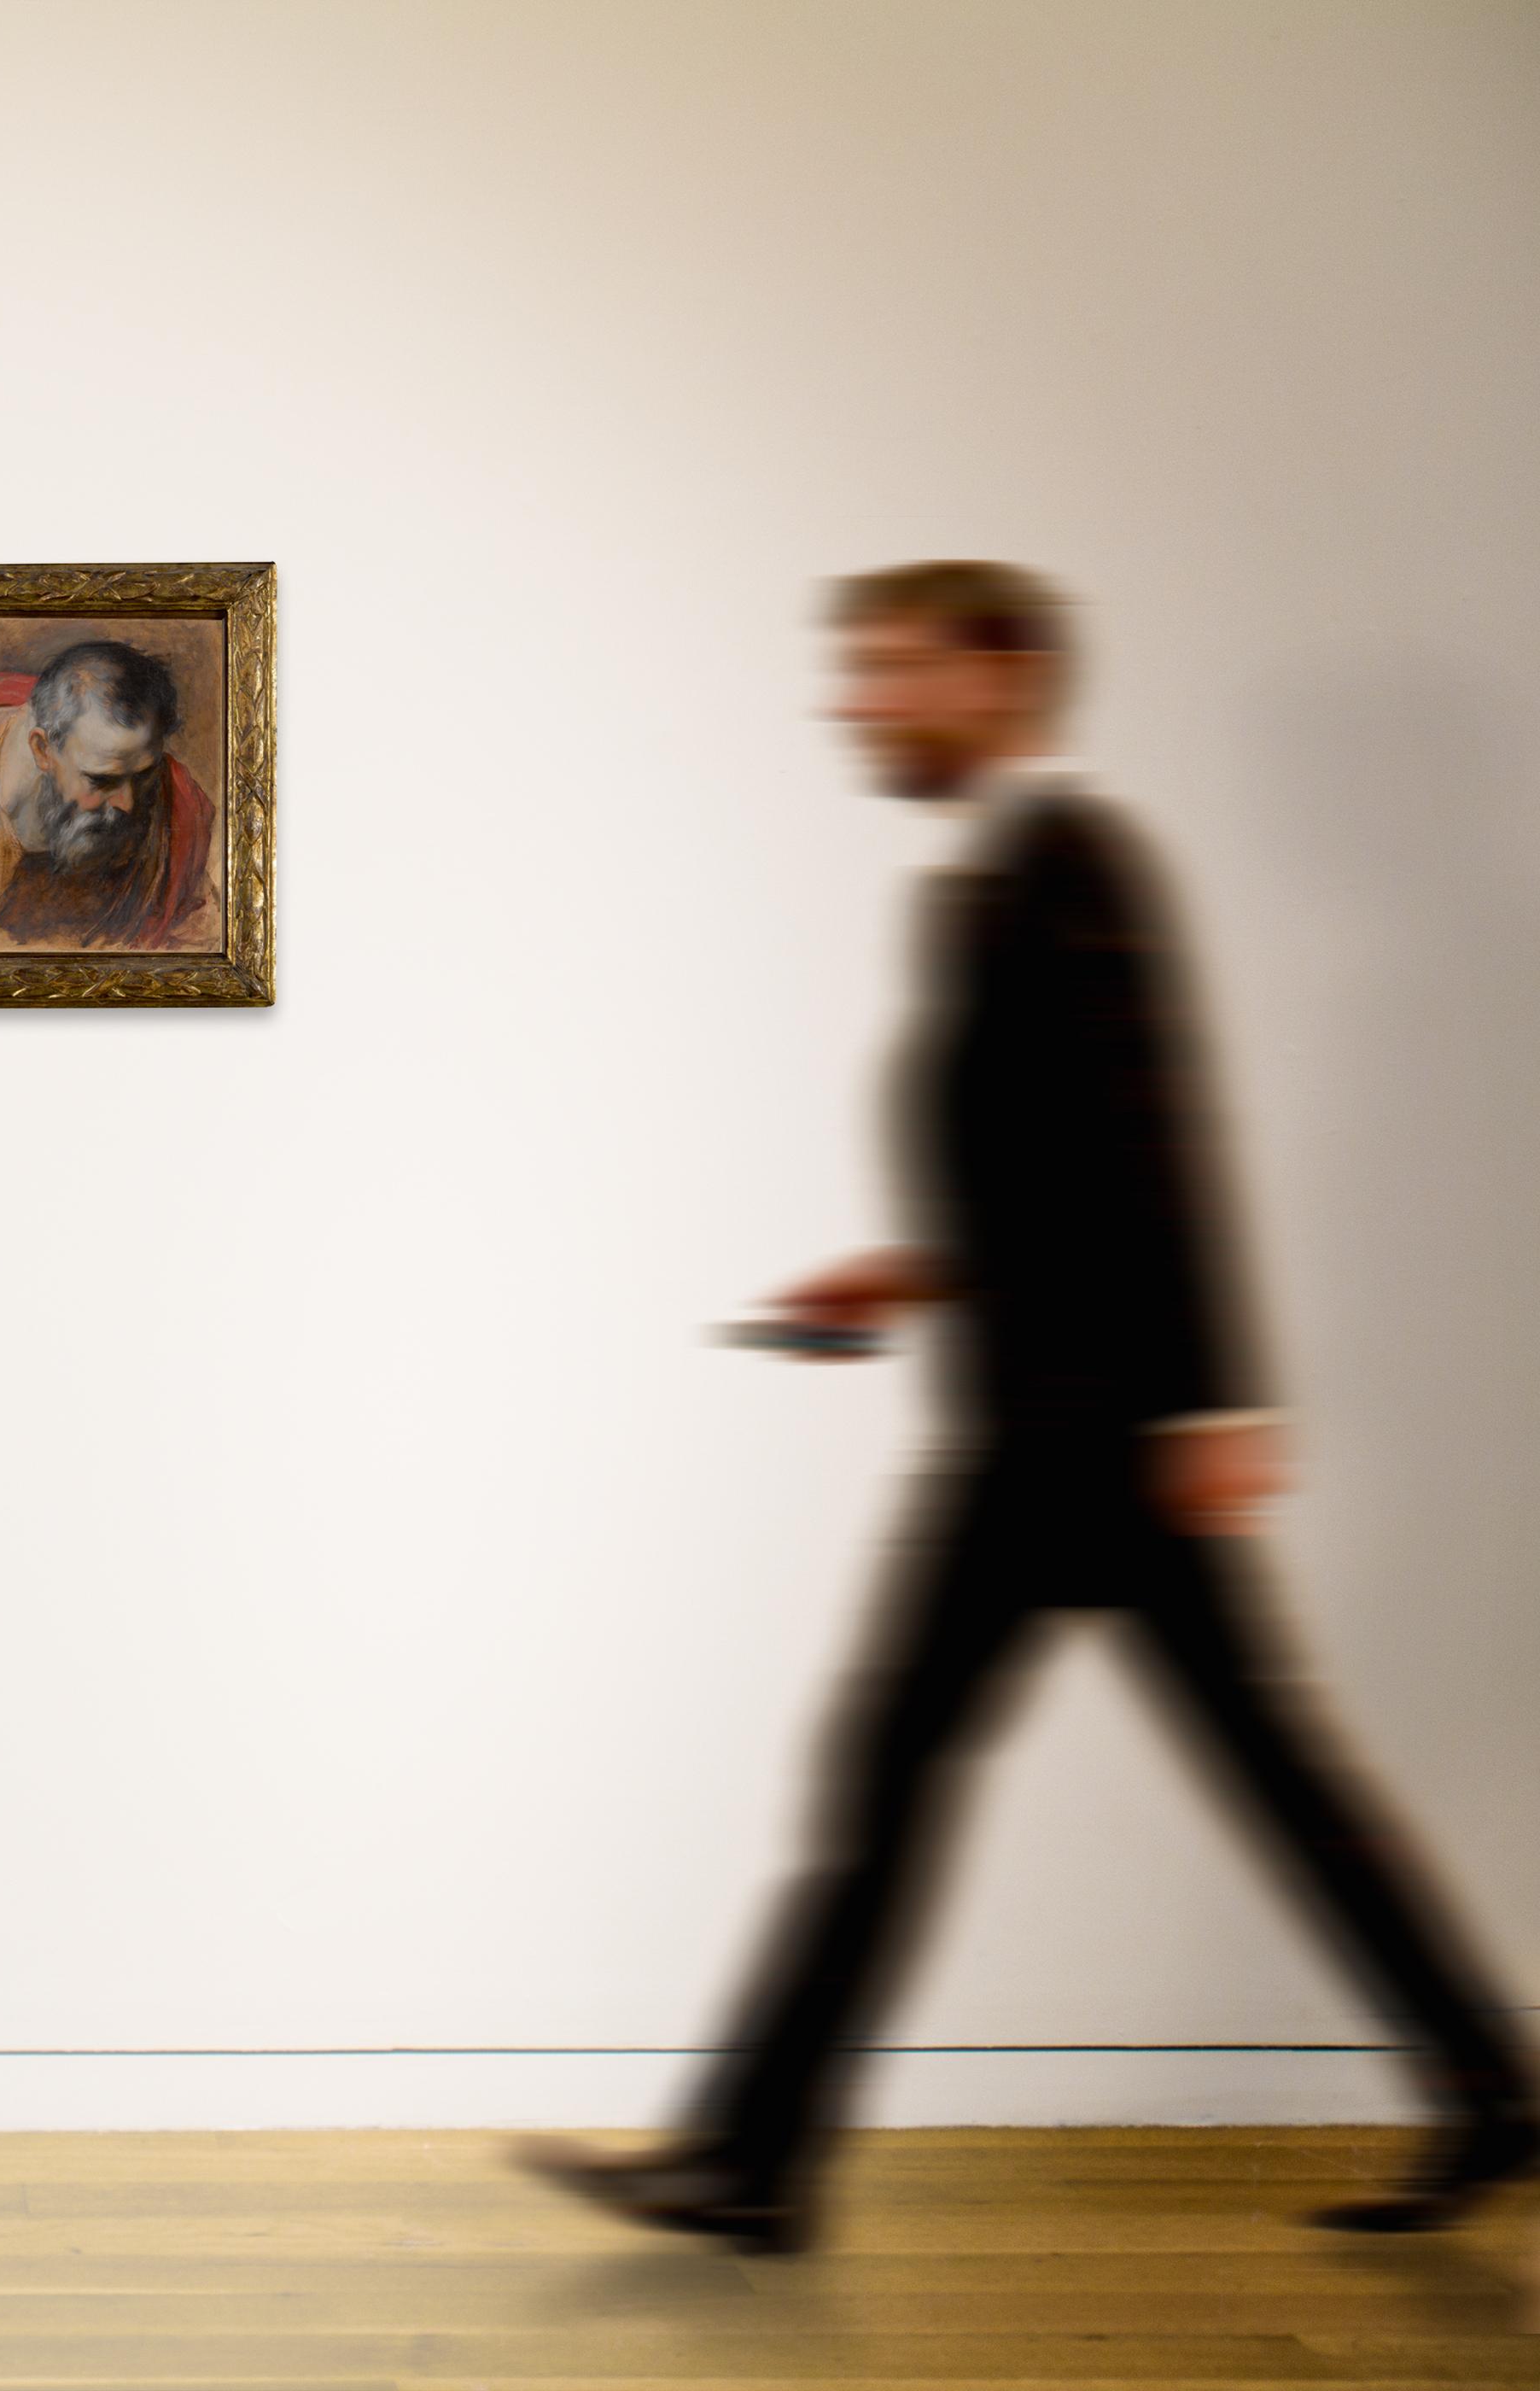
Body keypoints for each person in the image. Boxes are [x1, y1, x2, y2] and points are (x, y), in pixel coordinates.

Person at [520, 560, 1537, 2255]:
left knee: (899, 1764)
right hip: (1057, 1422)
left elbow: (1158, 1143)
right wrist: (911, 1277)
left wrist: (1217, 1401)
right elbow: (1051, 1176)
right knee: (1220, 1766)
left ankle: (751, 2157)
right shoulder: (986, 883)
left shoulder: (1073, 864)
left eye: (889, 671)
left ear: (1000, 678)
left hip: (1090, 1441)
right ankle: (1491, 2087)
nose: (854, 702)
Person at [0, 640, 218, 950]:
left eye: (144, 775)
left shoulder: (181, 805)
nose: (128, 804)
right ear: (42, 750)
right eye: (102, 780)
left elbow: (200, 935)